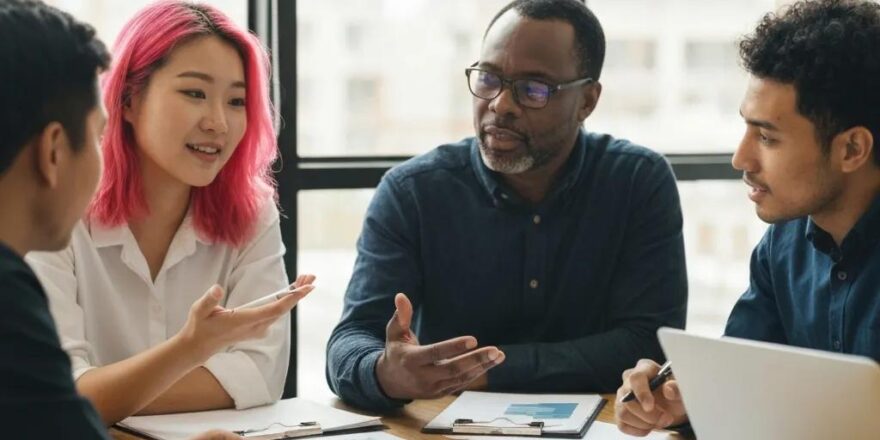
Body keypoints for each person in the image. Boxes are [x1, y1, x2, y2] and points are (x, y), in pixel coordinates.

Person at [327, 0, 688, 412]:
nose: (500, 104)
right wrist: (384, 372)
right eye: (488, 78)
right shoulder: (412, 192)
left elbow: (650, 346)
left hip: (604, 428)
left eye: (533, 89)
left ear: (587, 101)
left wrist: (488, 371)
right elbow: (350, 341)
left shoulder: (638, 182)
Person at [0, 1, 296, 438]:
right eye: (194, 93)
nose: (218, 123)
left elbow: (260, 374)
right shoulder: (47, 224)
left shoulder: (251, 211)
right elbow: (61, 397)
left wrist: (106, 392)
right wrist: (190, 351)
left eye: (237, 101)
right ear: (128, 100)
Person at [615, 0, 880, 436]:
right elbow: (741, 384)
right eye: (746, 128)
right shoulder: (781, 245)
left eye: (767, 138)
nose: (741, 158)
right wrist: (680, 401)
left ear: (851, 149)